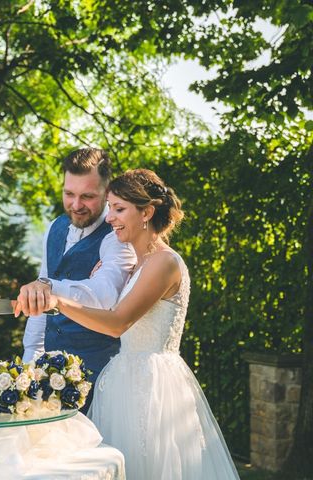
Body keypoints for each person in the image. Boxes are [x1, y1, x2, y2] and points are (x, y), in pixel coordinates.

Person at [16, 169, 240, 479]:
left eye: (119, 209)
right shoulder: (140, 263)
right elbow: (104, 300)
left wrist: (56, 300)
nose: (109, 218)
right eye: (109, 207)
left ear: (146, 212)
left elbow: (117, 324)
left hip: (152, 386)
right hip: (123, 378)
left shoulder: (164, 262)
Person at [17, 147, 136, 413]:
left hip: (99, 378)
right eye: (69, 194)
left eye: (87, 196)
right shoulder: (55, 227)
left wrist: (49, 288)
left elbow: (105, 295)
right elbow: (39, 310)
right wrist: (29, 364)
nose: (76, 204)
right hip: (49, 377)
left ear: (107, 193)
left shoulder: (118, 235)